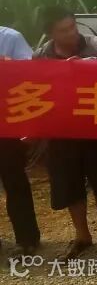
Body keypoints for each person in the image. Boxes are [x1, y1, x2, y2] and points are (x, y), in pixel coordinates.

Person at [35, 7, 97, 260]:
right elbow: (36, 88)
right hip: (62, 131)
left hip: (96, 127)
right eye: (63, 31)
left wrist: (86, 68)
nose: (70, 33)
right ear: (51, 34)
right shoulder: (41, 55)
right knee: (70, 183)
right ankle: (81, 235)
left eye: (72, 27)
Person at [0, 26, 41, 256]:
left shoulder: (11, 38)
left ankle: (27, 239)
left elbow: (30, 74)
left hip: (7, 126)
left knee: (14, 181)